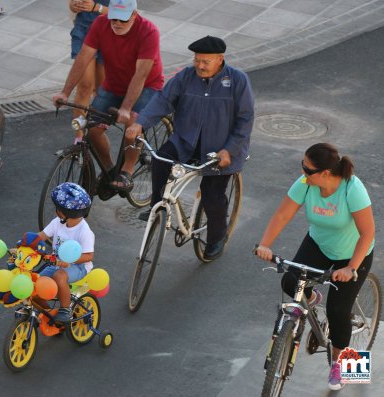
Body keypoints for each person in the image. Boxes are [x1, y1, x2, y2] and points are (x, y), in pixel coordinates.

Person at [255, 143, 375, 391]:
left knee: (338, 311)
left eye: (307, 169)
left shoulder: (353, 189)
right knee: (290, 281)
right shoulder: (305, 184)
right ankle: (312, 297)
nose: (302, 173)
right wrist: (265, 244)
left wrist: (351, 268)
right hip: (319, 244)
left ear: (326, 174)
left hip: (353, 254)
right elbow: (282, 216)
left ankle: (342, 365)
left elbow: (367, 233)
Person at [126, 35, 254, 260]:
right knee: (161, 158)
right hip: (186, 142)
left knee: (211, 196)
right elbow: (163, 100)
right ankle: (157, 207)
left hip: (219, 150)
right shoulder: (185, 76)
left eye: (205, 61)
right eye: (197, 60)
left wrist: (229, 150)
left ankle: (216, 237)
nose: (199, 66)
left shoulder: (237, 80)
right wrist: (140, 123)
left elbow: (245, 119)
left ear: (220, 59)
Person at [53, 0, 164, 192]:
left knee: (132, 126)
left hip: (147, 85)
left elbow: (141, 75)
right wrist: (65, 91)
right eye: (114, 18)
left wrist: (127, 108)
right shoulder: (101, 23)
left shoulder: (149, 31)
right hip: (114, 84)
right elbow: (83, 58)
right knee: (93, 129)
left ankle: (127, 171)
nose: (117, 23)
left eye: (122, 19)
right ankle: (110, 170)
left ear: (134, 15)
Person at [36, 182, 95, 323]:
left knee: (59, 275)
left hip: (79, 267)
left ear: (64, 212)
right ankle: (49, 315)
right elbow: (41, 236)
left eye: (57, 208)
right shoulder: (58, 222)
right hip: (57, 264)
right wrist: (26, 243)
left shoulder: (84, 232)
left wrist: (70, 260)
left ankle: (65, 309)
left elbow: (89, 256)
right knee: (35, 286)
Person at [68, 0, 108, 144]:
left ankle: (96, 127)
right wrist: (73, 6)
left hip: (109, 31)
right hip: (84, 30)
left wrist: (97, 7)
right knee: (84, 86)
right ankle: (80, 136)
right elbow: (73, 4)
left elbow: (128, 13)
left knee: (101, 89)